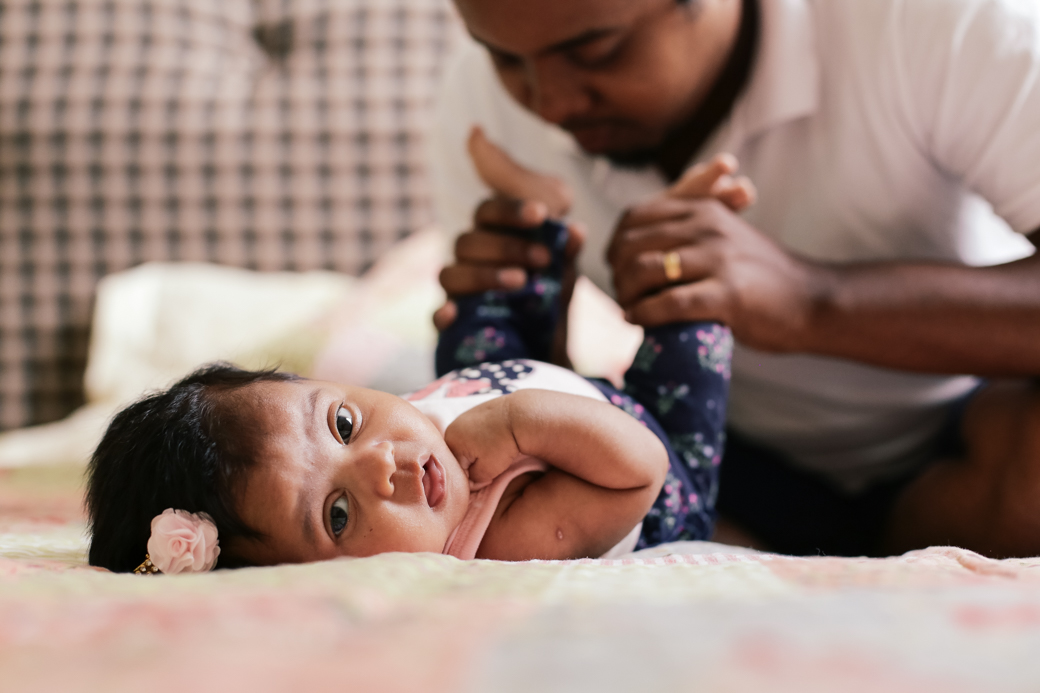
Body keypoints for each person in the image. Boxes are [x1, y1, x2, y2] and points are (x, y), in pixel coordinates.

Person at [429, 0, 1040, 557]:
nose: (551, 103)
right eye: (505, 60)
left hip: (973, 445)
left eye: (598, 51)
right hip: (715, 472)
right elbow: (534, 456)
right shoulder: (484, 100)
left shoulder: (932, 21)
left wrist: (812, 302)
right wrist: (530, 337)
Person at [85, 165, 747, 573]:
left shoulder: (409, 442)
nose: (378, 464)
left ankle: (534, 219)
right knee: (691, 341)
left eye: (342, 421)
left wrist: (495, 393)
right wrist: (515, 424)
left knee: (471, 323)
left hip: (513, 390)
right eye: (338, 515)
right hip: (648, 448)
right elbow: (640, 469)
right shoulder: (490, 540)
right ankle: (682, 236)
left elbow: (451, 395)